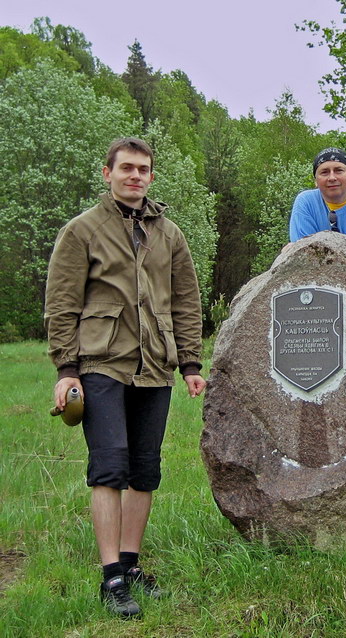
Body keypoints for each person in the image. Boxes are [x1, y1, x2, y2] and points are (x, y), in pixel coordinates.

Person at [44, 137, 206, 617]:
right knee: (110, 466)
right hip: (100, 363)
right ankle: (111, 576)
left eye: (143, 169)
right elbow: (62, 303)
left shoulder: (171, 234)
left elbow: (186, 302)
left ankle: (132, 565)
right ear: (107, 173)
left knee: (144, 469)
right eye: (126, 168)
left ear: (152, 176)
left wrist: (192, 364)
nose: (135, 176)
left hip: (156, 364)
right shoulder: (82, 231)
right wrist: (65, 370)